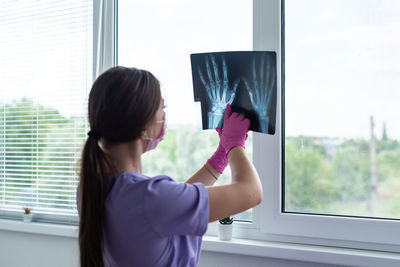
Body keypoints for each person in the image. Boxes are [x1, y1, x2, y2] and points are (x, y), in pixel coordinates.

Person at [77, 66, 262, 267]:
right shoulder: (149, 197)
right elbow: (251, 192)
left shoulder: (93, 188)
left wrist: (220, 157)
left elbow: (171, 204)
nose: (164, 116)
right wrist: (235, 144)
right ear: (142, 125)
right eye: (161, 108)